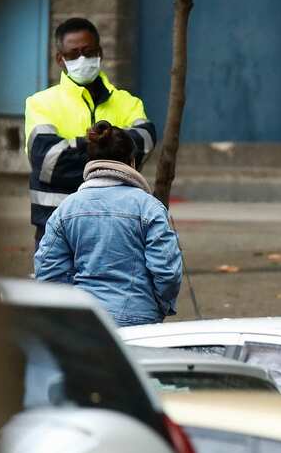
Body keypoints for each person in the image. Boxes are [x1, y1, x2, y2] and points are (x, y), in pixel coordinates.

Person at [34, 121, 182, 326]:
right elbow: (167, 271)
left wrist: (71, 308)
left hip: (85, 320)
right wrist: (156, 305)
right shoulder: (149, 207)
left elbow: (47, 270)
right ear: (132, 162)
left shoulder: (66, 209)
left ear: (91, 160)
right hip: (139, 318)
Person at [25, 17, 156, 245]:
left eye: (88, 51)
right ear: (60, 59)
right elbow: (49, 162)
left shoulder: (128, 102)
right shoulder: (40, 103)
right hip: (57, 227)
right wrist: (113, 149)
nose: (82, 59)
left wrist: (75, 148)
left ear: (100, 53)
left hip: (117, 228)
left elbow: (144, 143)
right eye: (73, 54)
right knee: (56, 283)